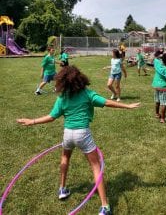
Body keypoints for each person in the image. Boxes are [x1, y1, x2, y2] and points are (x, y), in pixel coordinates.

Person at [17, 65, 140, 215]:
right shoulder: (87, 93)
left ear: (63, 81)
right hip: (83, 134)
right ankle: (105, 206)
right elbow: (107, 102)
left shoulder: (62, 98)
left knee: (65, 158)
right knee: (96, 166)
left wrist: (32, 121)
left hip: (68, 133)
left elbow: (51, 117)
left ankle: (62, 189)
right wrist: (127, 106)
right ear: (79, 79)